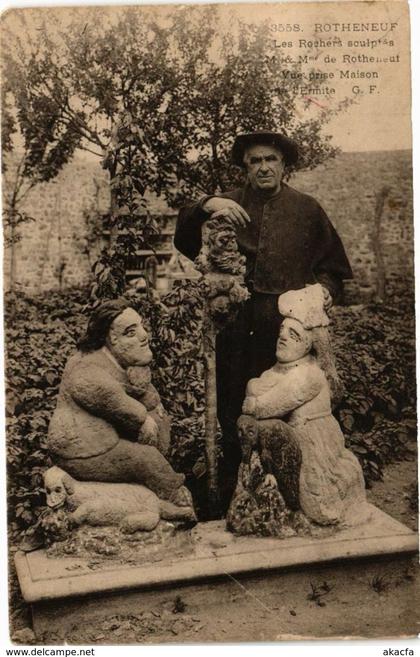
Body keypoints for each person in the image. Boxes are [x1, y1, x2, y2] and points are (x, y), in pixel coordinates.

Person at [175, 131, 353, 506]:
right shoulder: (228, 204)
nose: (263, 167)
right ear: (245, 167)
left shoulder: (307, 209)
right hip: (235, 324)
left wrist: (321, 293)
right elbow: (184, 240)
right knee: (233, 407)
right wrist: (207, 203)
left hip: (285, 330)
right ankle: (233, 492)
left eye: (271, 159)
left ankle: (286, 494)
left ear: (284, 165)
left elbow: (333, 271)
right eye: (254, 161)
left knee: (283, 411)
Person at [47, 299, 194, 513]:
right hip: (83, 450)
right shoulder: (85, 366)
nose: (144, 336)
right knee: (146, 460)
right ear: (110, 340)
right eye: (131, 333)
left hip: (105, 441)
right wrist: (142, 417)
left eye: (141, 326)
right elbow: (109, 397)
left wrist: (142, 384)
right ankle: (175, 502)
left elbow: (147, 399)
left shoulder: (120, 363)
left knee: (148, 452)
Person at [241, 285, 370, 526]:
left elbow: (270, 403)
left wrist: (254, 400)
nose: (283, 337)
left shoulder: (309, 374)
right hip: (291, 439)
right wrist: (255, 393)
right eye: (282, 331)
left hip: (313, 441)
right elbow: (259, 388)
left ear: (308, 344)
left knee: (312, 494)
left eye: (294, 335)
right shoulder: (282, 368)